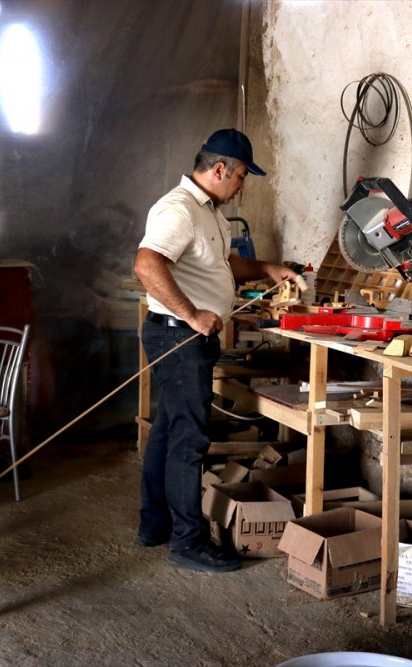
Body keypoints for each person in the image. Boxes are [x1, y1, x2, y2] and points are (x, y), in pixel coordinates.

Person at [133, 128, 299, 573]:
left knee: (169, 431)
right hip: (179, 335)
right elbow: (147, 264)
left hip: (184, 335)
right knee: (189, 440)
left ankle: (155, 525)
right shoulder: (179, 209)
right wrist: (191, 315)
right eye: (241, 176)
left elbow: (222, 264)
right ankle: (188, 542)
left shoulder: (211, 214)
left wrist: (266, 268)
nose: (242, 185)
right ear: (219, 168)